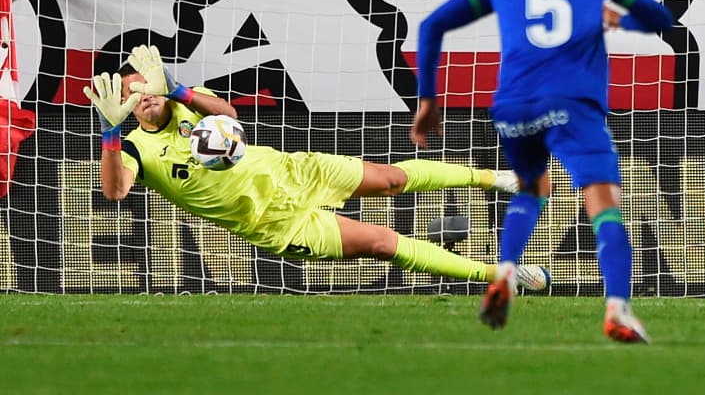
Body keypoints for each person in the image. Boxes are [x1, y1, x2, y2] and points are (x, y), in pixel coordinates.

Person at [411, 0, 675, 343]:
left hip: (513, 106)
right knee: (603, 201)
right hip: (571, 101)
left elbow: (432, 24)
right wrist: (619, 19)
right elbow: (660, 19)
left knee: (534, 186)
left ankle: (505, 270)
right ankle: (617, 308)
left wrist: (428, 100)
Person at [82, 44, 549, 290]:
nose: (141, 97)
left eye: (145, 86)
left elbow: (229, 115)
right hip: (276, 222)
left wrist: (177, 88)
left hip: (295, 171)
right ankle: (499, 275)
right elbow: (115, 191)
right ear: (123, 108)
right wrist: (108, 131)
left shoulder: (188, 103)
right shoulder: (134, 149)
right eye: (130, 96)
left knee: (391, 178)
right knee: (383, 243)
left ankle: (495, 178)